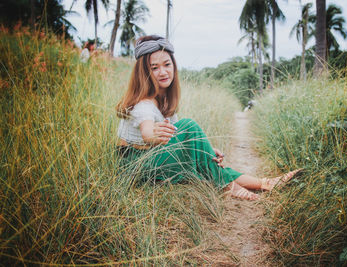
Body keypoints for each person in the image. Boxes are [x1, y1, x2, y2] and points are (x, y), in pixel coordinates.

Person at [116, 35, 302, 200]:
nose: (163, 72)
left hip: (154, 159)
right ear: (144, 73)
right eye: (154, 68)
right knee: (189, 125)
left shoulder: (164, 100)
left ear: (174, 65)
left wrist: (206, 149)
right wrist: (153, 134)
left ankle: (264, 183)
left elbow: (178, 139)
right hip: (136, 165)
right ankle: (229, 186)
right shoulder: (144, 104)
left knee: (206, 159)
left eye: (167, 64)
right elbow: (147, 131)